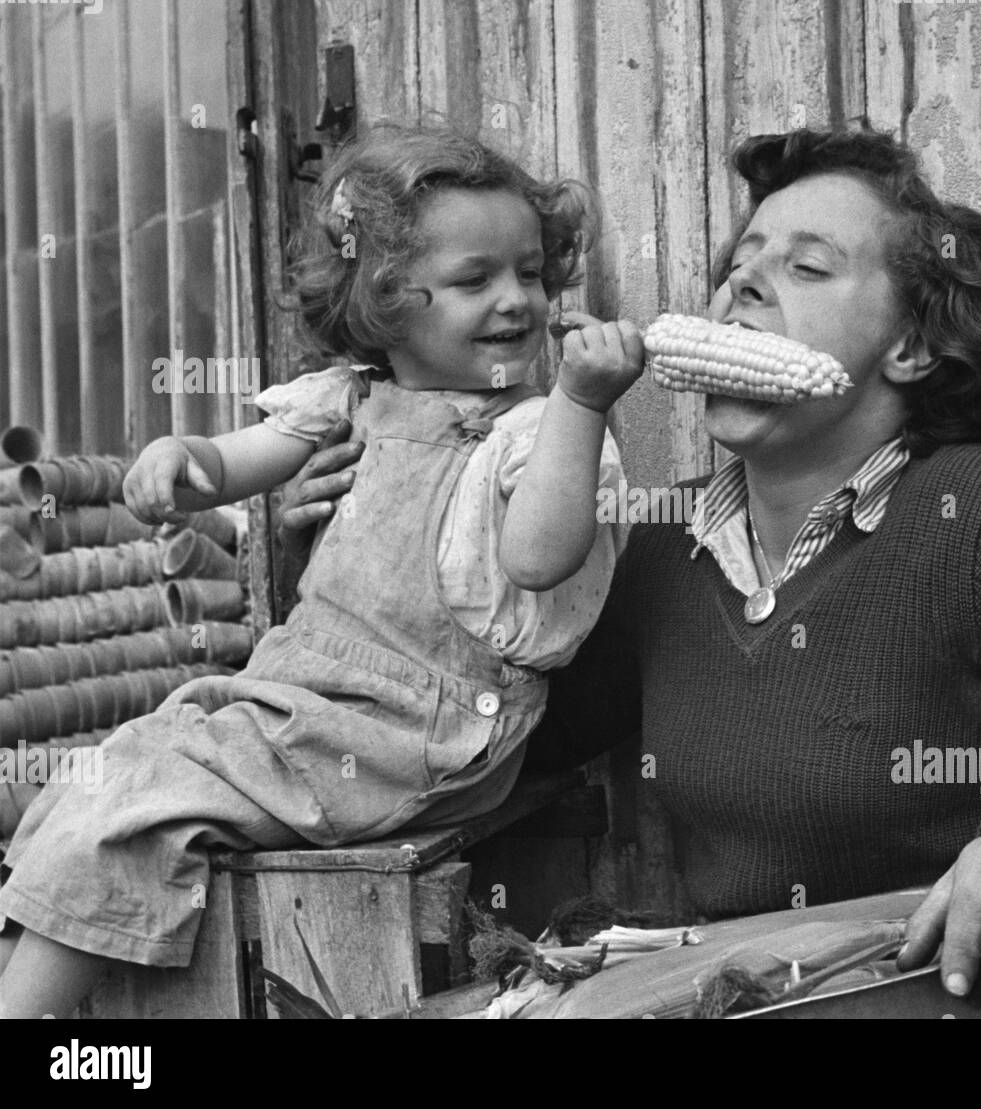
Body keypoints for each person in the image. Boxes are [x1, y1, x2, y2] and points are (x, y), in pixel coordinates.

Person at [275, 123, 981, 1010]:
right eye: (741, 263)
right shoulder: (661, 552)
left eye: (806, 268)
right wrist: (367, 544)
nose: (741, 283)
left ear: (912, 348)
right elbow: (469, 743)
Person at [0, 124, 642, 1018]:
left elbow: (540, 558)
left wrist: (582, 403)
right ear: (382, 302)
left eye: (530, 273)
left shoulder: (537, 434)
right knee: (121, 759)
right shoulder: (352, 398)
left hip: (424, 725)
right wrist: (179, 458)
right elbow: (235, 461)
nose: (517, 300)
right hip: (308, 693)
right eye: (474, 279)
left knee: (150, 794)